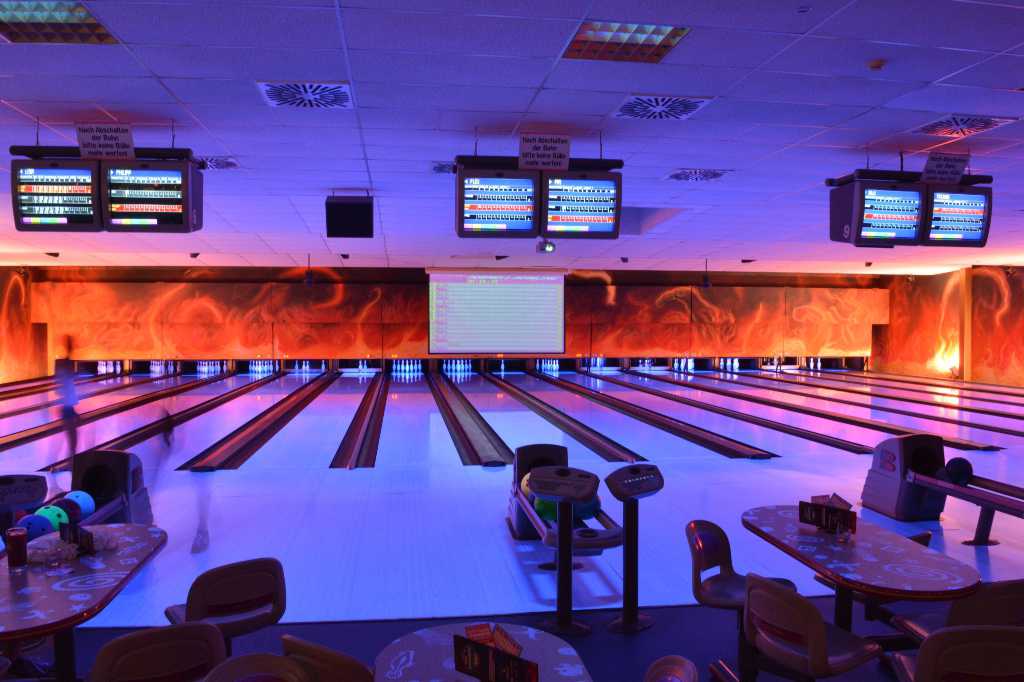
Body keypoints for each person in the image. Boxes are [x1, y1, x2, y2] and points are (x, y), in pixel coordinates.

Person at [56, 336, 80, 457]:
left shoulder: (65, 368)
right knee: (72, 437)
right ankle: (71, 459)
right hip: (66, 408)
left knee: (72, 437)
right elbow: (62, 391)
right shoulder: (65, 370)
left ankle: (71, 458)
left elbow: (62, 391)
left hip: (67, 407)